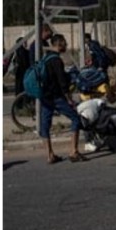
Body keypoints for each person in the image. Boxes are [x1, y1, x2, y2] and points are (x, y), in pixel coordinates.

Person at [39, 34, 87, 164]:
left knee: (45, 126)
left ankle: (50, 155)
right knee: (76, 118)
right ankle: (73, 151)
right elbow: (62, 82)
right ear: (59, 43)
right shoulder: (56, 60)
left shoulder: (46, 58)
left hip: (45, 97)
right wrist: (69, 99)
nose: (66, 45)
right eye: (64, 43)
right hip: (57, 97)